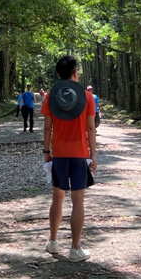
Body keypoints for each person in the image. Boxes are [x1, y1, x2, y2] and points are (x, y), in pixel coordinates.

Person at [42, 56, 97, 263]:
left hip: (58, 154)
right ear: (75, 73)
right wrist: (93, 155)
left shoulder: (50, 97)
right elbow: (91, 128)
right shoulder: (87, 98)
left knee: (57, 197)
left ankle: (54, 241)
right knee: (78, 201)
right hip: (80, 154)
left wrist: (46, 151)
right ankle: (75, 249)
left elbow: (48, 127)